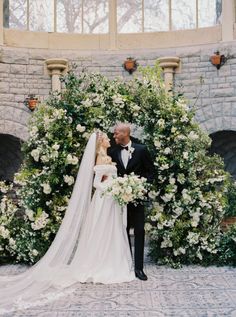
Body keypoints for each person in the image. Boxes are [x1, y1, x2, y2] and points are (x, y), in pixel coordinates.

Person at [0, 131, 134, 314]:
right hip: (104, 199)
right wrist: (112, 187)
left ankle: (110, 259)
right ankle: (100, 262)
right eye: (105, 137)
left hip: (110, 200)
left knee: (111, 230)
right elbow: (96, 183)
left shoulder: (107, 156)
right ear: (100, 142)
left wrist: (116, 186)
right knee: (101, 230)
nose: (108, 139)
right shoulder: (100, 158)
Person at [108, 123, 154, 281]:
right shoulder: (112, 152)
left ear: (125, 133)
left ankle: (139, 268)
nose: (114, 136)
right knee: (123, 230)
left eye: (116, 134)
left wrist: (142, 189)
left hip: (137, 199)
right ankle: (125, 264)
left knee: (140, 231)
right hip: (119, 200)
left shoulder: (141, 150)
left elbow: (150, 172)